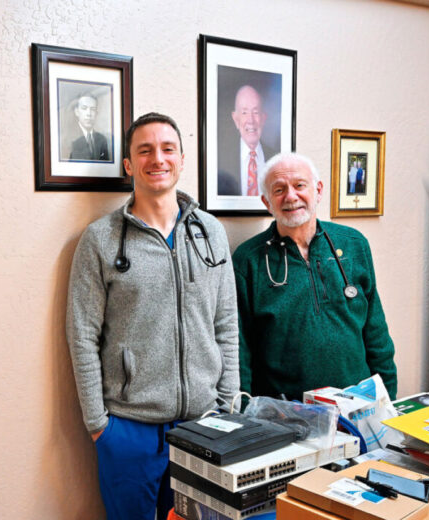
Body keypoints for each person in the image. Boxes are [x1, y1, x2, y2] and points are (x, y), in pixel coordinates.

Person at [66, 113, 239, 520]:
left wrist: (229, 404)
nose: (156, 159)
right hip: (129, 428)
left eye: (167, 149)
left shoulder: (210, 233)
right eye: (144, 150)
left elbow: (226, 324)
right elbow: (82, 335)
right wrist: (99, 424)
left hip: (206, 423)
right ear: (129, 165)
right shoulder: (101, 239)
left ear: (181, 159)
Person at [233, 152, 397, 402]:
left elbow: (376, 332)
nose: (291, 196)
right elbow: (240, 349)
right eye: (279, 190)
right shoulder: (248, 260)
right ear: (267, 202)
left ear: (318, 190)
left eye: (300, 185)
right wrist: (243, 411)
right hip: (285, 413)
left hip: (357, 404)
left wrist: (389, 399)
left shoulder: (354, 245)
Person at [218, 85, 277, 196]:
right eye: (244, 112)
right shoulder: (221, 158)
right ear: (236, 119)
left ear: (263, 118)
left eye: (255, 112)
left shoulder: (276, 159)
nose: (251, 120)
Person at [67, 93, 110, 161]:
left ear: (96, 113)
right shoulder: (68, 138)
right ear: (77, 111)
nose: (89, 114)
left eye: (92, 109)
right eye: (84, 108)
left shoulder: (102, 139)